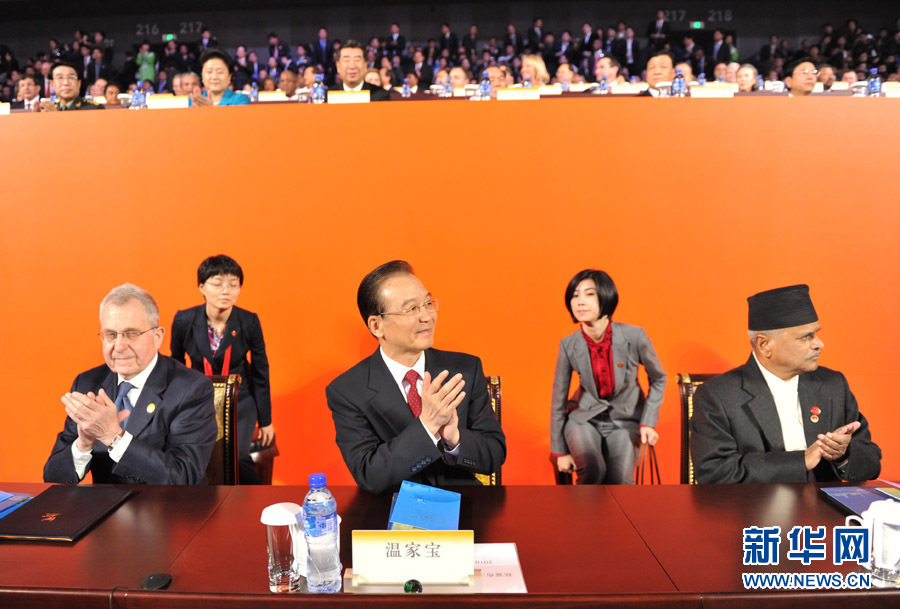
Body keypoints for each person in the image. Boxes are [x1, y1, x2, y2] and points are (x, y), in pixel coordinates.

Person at [326, 260, 506, 494]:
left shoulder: (464, 369)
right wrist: (427, 426)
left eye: (428, 304)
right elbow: (369, 474)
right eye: (411, 309)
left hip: (463, 505)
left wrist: (455, 438)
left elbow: (494, 455)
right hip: (391, 508)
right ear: (377, 326)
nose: (427, 317)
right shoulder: (348, 391)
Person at [690, 285, 881, 484]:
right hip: (756, 503)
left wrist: (843, 454)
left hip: (823, 503)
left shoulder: (832, 385)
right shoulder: (718, 396)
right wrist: (801, 461)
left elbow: (872, 462)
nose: (819, 344)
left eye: (816, 334)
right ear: (765, 345)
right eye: (806, 337)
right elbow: (715, 473)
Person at [44, 284, 217, 485]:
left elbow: (183, 477)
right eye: (111, 334)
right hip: (106, 503)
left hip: (167, 503)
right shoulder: (88, 383)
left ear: (157, 337)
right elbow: (53, 478)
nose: (119, 346)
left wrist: (113, 436)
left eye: (131, 334)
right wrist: (83, 444)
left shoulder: (191, 389)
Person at [550, 270, 666, 484]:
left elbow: (659, 379)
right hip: (583, 419)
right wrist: (560, 452)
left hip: (625, 421)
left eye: (589, 294)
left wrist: (648, 422)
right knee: (593, 470)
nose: (580, 302)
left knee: (620, 479)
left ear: (606, 297)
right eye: (575, 296)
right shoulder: (568, 344)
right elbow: (558, 398)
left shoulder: (635, 336)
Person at [170, 255, 273, 484]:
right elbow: (176, 366)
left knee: (238, 457)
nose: (226, 291)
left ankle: (259, 499)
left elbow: (260, 371)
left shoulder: (249, 321)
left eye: (233, 284)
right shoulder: (184, 320)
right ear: (202, 287)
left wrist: (266, 420)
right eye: (217, 284)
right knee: (196, 456)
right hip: (199, 398)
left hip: (240, 399)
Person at [36, 62, 103, 111]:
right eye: (60, 77)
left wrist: (55, 116)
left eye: (71, 77)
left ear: (79, 83)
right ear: (52, 84)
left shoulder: (93, 108)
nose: (66, 83)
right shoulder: (49, 109)